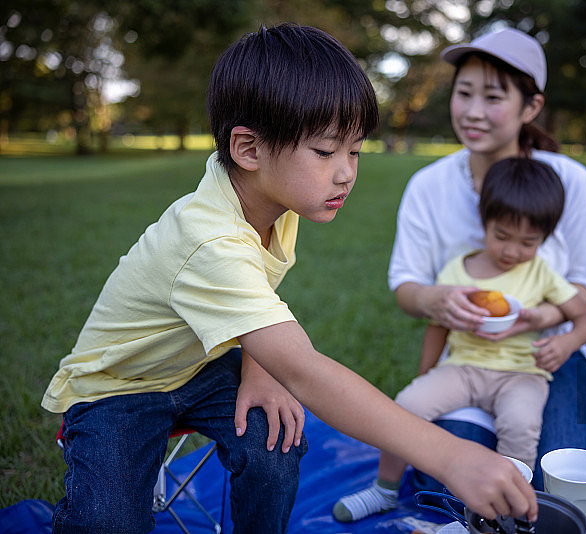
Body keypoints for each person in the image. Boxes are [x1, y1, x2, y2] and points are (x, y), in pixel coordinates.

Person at [41, 24, 538, 533]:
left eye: (355, 151)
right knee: (107, 526)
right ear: (249, 149)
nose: (347, 172)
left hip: (197, 367)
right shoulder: (208, 240)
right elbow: (303, 369)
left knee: (277, 442)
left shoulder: (274, 202)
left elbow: (261, 290)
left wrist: (259, 370)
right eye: (326, 152)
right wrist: (452, 457)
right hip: (119, 387)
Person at [387, 27, 586, 490]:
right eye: (464, 93)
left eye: (492, 97)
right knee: (444, 485)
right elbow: (405, 285)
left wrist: (538, 317)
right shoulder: (428, 185)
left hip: (548, 356)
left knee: (568, 481)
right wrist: (437, 300)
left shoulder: (570, 181)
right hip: (467, 358)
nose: (472, 112)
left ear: (531, 107)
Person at [334, 157, 586, 522]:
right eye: (502, 236)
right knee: (406, 407)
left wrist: (566, 343)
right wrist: (425, 374)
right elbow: (437, 325)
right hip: (462, 369)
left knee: (521, 428)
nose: (511, 251)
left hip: (521, 374)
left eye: (528, 242)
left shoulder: (542, 273)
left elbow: (585, 320)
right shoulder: (459, 270)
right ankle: (384, 489)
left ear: (546, 237)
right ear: (484, 221)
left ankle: (509, 511)